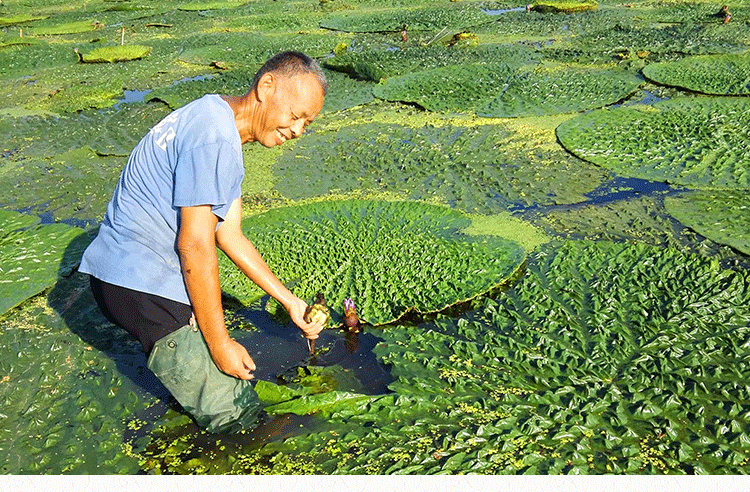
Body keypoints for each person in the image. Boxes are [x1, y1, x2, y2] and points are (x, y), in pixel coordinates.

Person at [79, 51, 327, 433]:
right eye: (295, 115)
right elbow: (195, 245)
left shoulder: (216, 119)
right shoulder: (214, 136)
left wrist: (290, 302)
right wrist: (221, 343)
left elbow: (230, 235)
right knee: (239, 420)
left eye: (307, 123)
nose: (298, 130)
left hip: (126, 275)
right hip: (137, 283)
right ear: (266, 87)